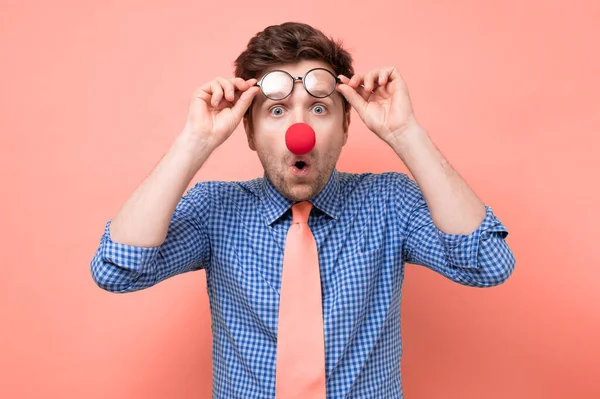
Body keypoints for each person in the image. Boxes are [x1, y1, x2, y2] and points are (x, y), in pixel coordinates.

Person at [91, 21, 515, 399]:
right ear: (251, 133)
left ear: (347, 125)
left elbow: (489, 264)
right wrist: (194, 141)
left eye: (319, 109)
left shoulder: (390, 203)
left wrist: (405, 133)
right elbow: (117, 270)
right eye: (277, 111)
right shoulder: (214, 210)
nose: (302, 133)